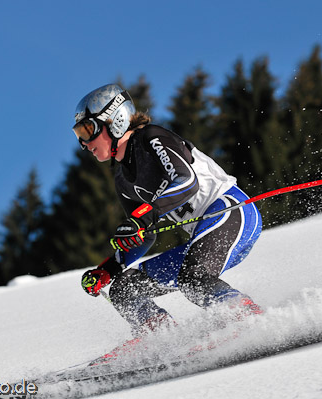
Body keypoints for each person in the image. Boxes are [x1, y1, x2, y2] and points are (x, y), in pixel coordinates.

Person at [74, 84, 263, 339]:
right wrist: (110, 269)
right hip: (203, 233)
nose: (85, 144)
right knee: (125, 288)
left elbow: (187, 182)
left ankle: (247, 318)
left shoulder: (151, 138)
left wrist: (144, 216)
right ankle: (162, 339)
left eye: (88, 130)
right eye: (79, 135)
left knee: (194, 278)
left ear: (114, 121)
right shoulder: (123, 181)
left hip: (232, 213)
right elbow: (146, 234)